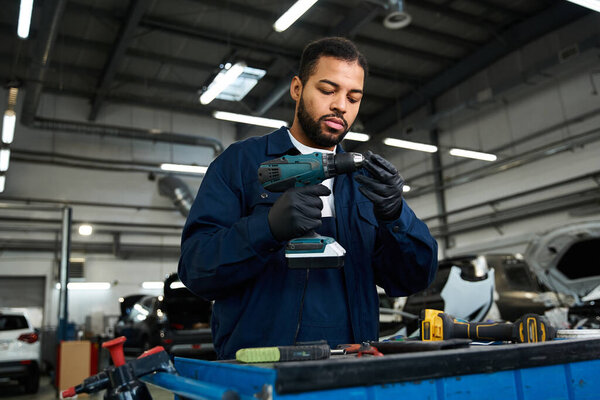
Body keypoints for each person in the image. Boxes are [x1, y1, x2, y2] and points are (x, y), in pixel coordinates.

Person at [179, 37, 438, 360]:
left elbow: (413, 278)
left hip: (353, 368)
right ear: (297, 88)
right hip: (262, 368)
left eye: (353, 97)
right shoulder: (242, 164)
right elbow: (196, 270)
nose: (341, 106)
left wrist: (395, 216)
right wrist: (267, 229)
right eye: (328, 90)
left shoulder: (364, 180)